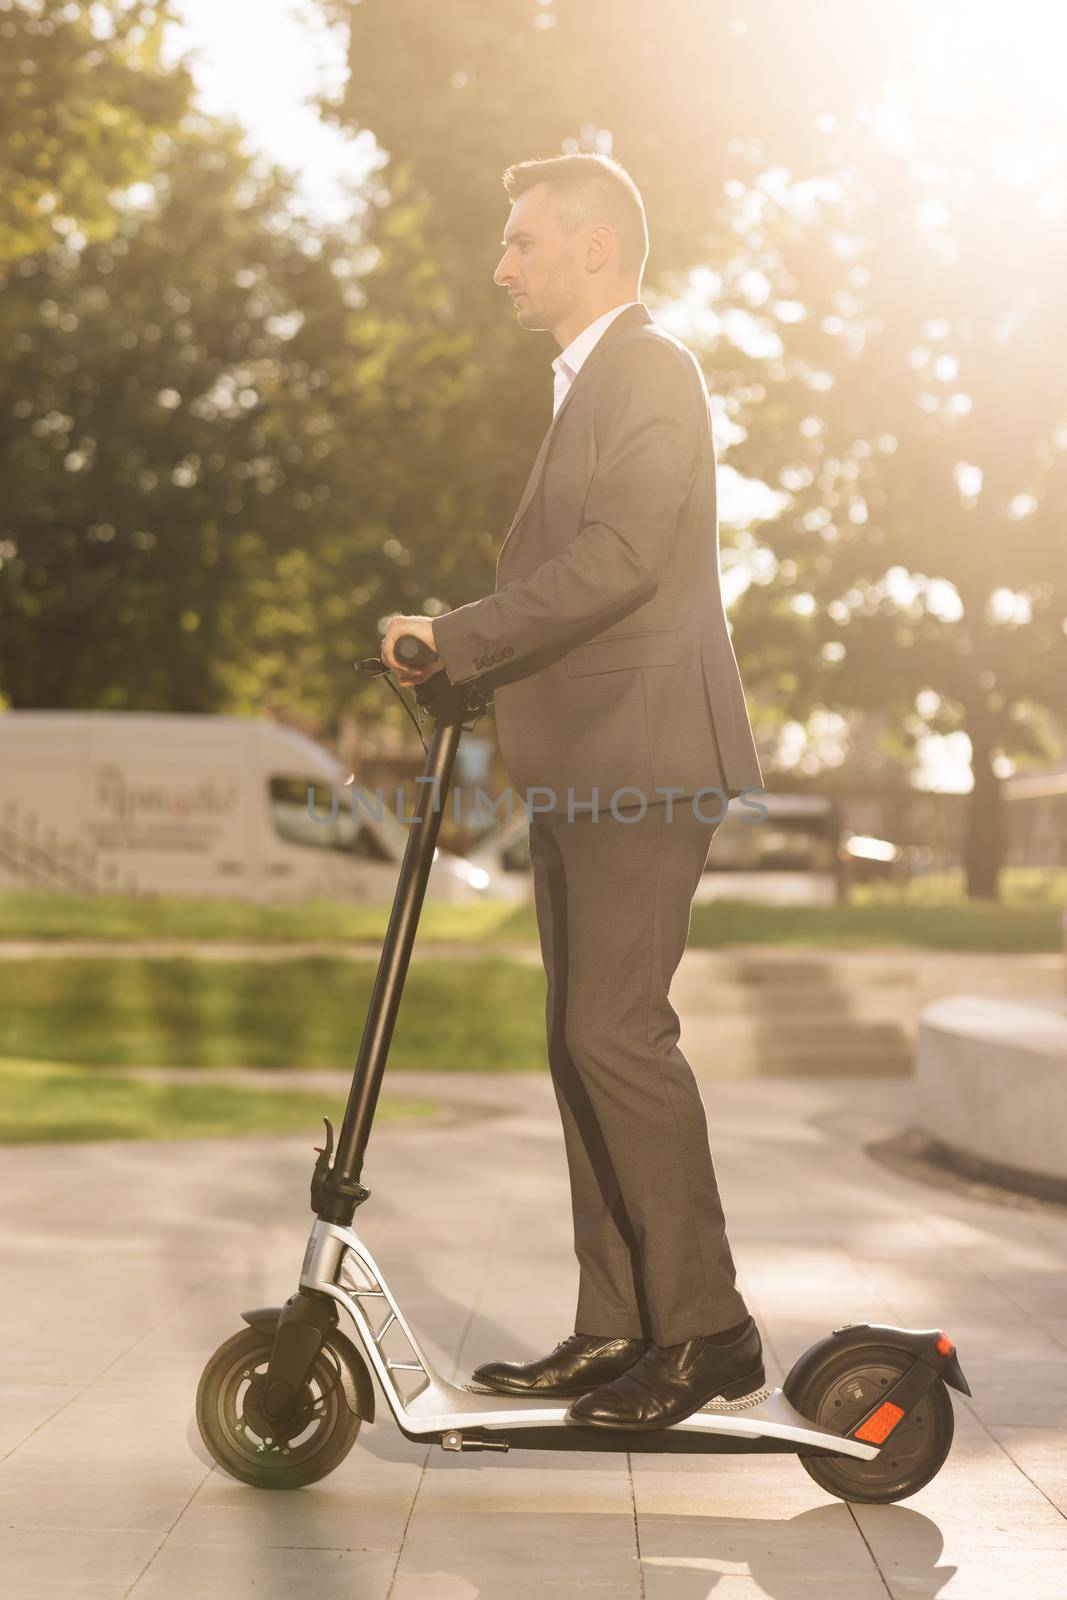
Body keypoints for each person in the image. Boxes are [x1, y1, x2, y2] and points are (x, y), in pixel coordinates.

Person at [381, 152, 766, 1432]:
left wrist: (460, 629)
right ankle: (618, 1325)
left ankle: (704, 1331)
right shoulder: (592, 380)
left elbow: (621, 557)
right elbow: (596, 587)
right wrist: (462, 670)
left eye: (522, 243)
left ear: (594, 248)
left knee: (613, 1032)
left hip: (648, 761)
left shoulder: (648, 368)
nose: (502, 267)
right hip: (593, 760)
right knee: (577, 1041)